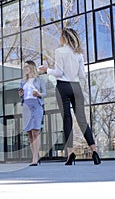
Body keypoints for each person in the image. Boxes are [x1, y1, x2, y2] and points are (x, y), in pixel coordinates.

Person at [39, 28, 101, 165]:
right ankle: (94, 151)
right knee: (82, 121)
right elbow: (82, 75)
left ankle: (70, 154)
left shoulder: (59, 51)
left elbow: (58, 72)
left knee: (67, 120)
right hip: (76, 87)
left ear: (64, 38)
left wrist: (46, 70)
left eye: (60, 36)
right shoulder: (79, 54)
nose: (59, 38)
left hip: (63, 87)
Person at [18, 60, 46, 166]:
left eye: (26, 66)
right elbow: (23, 96)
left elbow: (45, 93)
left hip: (36, 105)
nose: (25, 68)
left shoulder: (39, 79)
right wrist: (21, 95)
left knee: (35, 131)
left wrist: (38, 94)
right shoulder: (22, 81)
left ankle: (35, 158)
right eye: (24, 67)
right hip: (26, 106)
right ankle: (35, 155)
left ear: (31, 67)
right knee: (29, 132)